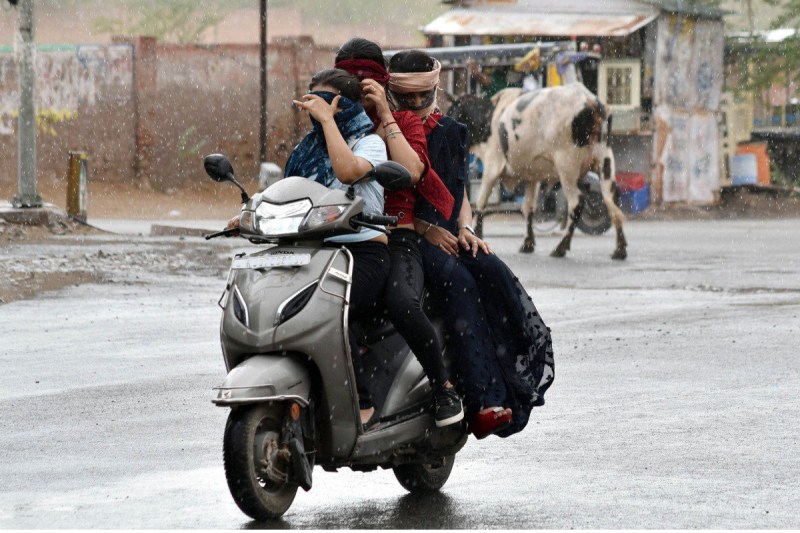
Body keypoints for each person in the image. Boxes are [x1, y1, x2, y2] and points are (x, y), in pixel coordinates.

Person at [387, 49, 556, 439]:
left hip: (449, 231)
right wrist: (427, 230)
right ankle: (481, 399)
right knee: (458, 281)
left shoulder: (451, 132)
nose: (415, 105)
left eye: (422, 97)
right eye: (406, 98)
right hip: (409, 234)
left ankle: (511, 377)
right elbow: (391, 199)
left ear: (436, 89)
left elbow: (459, 192)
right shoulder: (386, 134)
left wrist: (466, 229)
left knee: (491, 270)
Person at [227, 68, 389, 427]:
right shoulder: (306, 151)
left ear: (341, 105)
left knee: (332, 311)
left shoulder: (369, 143)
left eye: (322, 101)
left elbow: (347, 172)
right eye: (310, 99)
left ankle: (362, 401)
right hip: (313, 252)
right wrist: (248, 215)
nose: (312, 109)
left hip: (361, 253)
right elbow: (287, 193)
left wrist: (330, 123)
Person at [334, 37, 464, 428]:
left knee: (402, 303)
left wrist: (386, 114)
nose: (357, 91)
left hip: (398, 238)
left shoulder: (404, 120)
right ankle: (355, 397)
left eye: (365, 82)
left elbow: (412, 171)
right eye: (348, 82)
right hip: (344, 239)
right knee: (334, 309)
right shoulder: (336, 125)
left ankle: (444, 387)